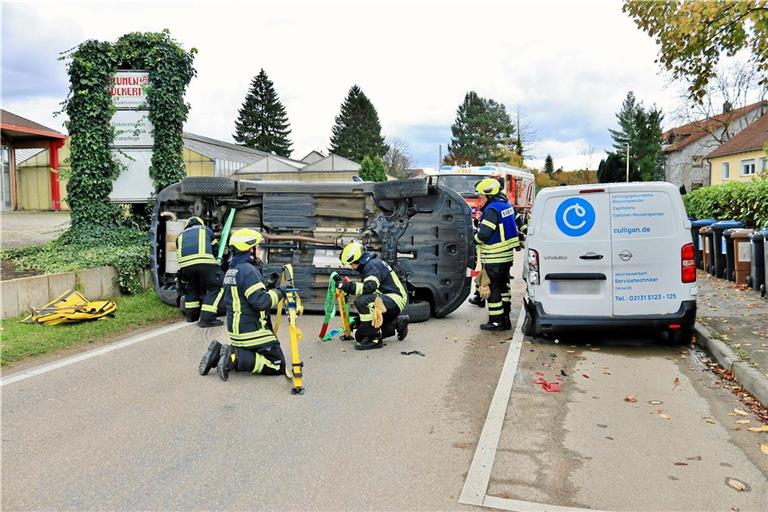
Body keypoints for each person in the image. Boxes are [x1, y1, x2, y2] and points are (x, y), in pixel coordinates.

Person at [198, 228, 289, 381]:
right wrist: (281, 291)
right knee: (277, 364)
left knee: (260, 355)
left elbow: (245, 295)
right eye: (257, 247)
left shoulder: (232, 270)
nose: (259, 251)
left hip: (237, 332)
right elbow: (261, 302)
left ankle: (220, 351)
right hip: (252, 333)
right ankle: (234, 357)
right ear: (249, 249)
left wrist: (266, 286)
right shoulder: (248, 270)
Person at [336, 242, 409, 350]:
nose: (352, 268)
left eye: (351, 264)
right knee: (359, 335)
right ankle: (397, 323)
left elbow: (369, 287)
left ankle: (374, 339)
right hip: (388, 298)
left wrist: (346, 286)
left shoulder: (372, 266)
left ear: (358, 260)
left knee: (362, 302)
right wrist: (358, 322)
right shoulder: (371, 264)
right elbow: (369, 290)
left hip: (394, 298)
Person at [473, 177, 522, 331]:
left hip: (494, 256)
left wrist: (474, 238)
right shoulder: (506, 205)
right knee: (503, 287)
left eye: (481, 195)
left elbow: (484, 235)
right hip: (506, 257)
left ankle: (496, 321)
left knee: (492, 288)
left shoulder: (492, 209)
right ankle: (505, 318)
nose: (480, 198)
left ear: (489, 194)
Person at [176, 216, 224, 328]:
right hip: (205, 264)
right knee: (217, 287)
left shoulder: (180, 236)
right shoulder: (206, 230)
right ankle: (207, 319)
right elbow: (215, 249)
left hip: (185, 267)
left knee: (191, 289)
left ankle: (191, 316)